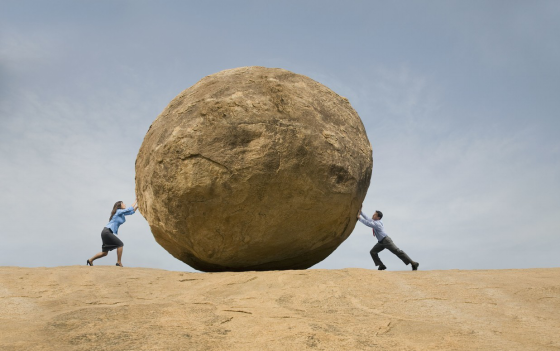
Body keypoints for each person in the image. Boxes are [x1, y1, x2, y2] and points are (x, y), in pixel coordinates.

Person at [87, 199, 138, 267]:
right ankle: (119, 262)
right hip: (107, 232)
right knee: (120, 244)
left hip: (106, 232)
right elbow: (129, 209)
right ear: (119, 206)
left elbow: (131, 212)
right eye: (123, 203)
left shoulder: (121, 213)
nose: (125, 204)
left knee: (104, 253)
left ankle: (90, 260)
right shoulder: (118, 211)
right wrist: (136, 201)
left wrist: (137, 207)